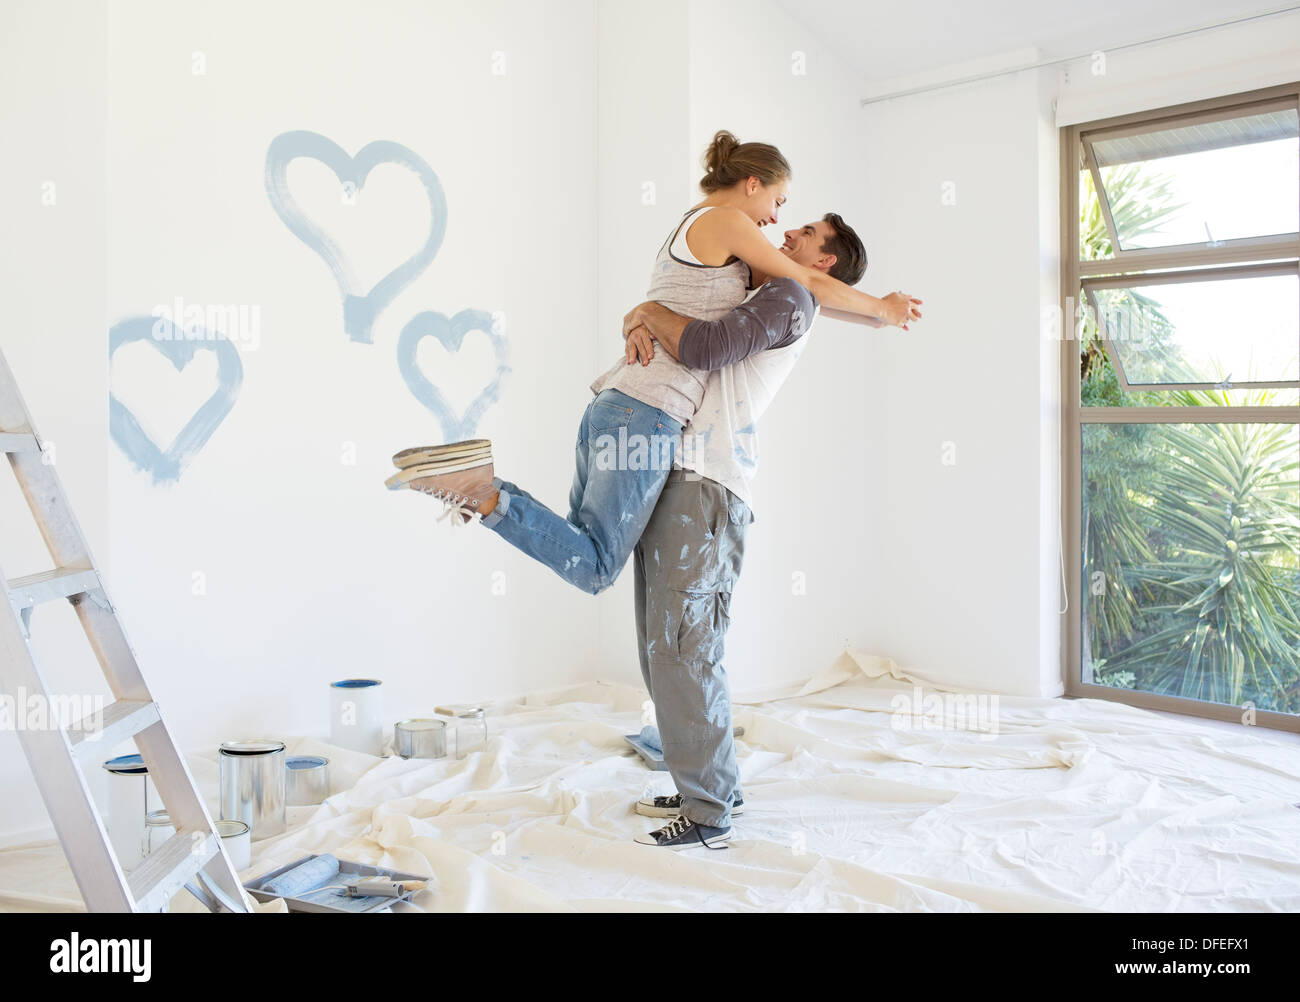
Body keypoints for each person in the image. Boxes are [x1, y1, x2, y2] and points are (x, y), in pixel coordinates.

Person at [385, 131, 921, 599]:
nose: (776, 220)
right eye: (778, 201)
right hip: (649, 412)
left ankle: (476, 482)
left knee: (579, 541)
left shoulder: (698, 225)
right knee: (595, 568)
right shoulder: (730, 222)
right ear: (753, 183)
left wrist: (878, 317)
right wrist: (883, 309)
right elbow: (810, 283)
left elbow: (815, 292)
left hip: (616, 404)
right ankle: (479, 489)